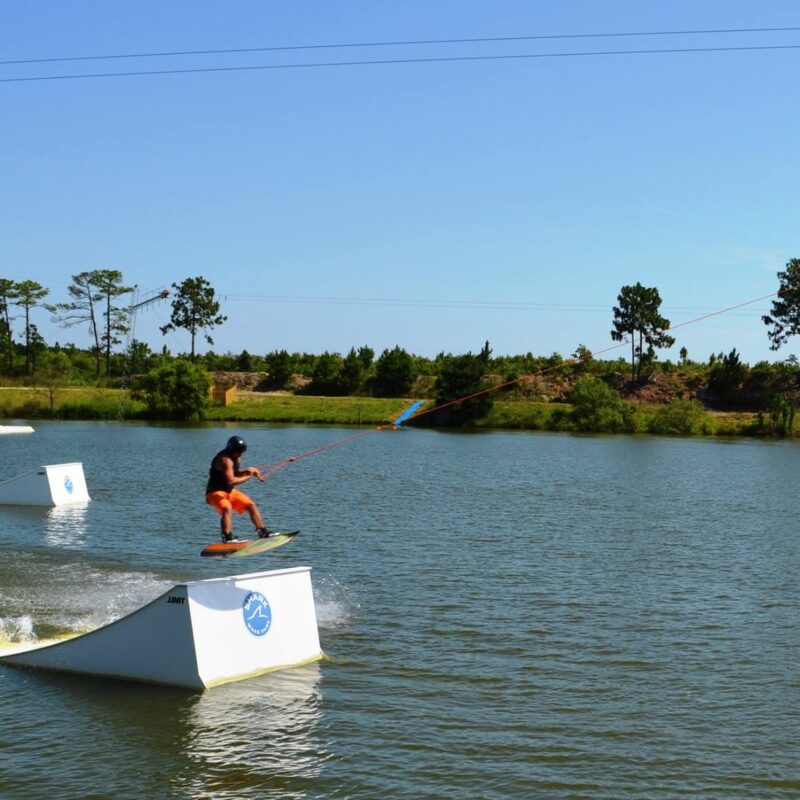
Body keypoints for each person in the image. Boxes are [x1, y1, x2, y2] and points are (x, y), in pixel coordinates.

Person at [206, 435, 272, 542]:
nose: (240, 454)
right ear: (231, 450)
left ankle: (263, 532)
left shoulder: (237, 457)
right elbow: (231, 481)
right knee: (226, 507)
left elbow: (235, 473)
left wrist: (247, 471)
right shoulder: (224, 460)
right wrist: (248, 476)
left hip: (229, 491)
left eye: (242, 452)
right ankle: (227, 537)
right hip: (214, 492)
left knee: (250, 505)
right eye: (238, 452)